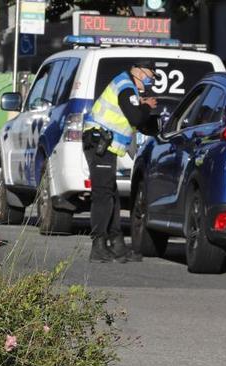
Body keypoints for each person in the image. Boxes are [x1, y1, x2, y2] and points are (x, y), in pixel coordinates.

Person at [82, 62, 159, 263]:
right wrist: (146, 106)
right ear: (139, 70)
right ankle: (98, 246)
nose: (150, 80)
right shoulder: (125, 86)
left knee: (111, 195)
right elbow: (135, 117)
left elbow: (137, 120)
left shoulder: (129, 88)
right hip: (99, 143)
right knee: (102, 196)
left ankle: (117, 244)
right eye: (150, 74)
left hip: (105, 146)